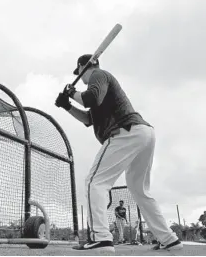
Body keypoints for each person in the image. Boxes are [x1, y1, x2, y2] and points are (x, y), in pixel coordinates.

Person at [55, 54, 182, 253]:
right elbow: (89, 119)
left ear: (82, 67)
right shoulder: (100, 88)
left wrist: (72, 93)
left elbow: (90, 98)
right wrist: (67, 106)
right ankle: (169, 238)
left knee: (94, 182)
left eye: (78, 72)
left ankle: (101, 237)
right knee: (139, 189)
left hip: (125, 132)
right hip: (142, 133)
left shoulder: (99, 74)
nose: (80, 76)